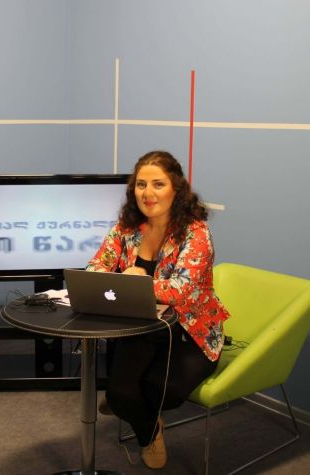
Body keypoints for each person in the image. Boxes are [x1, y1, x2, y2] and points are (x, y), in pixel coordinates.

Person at [86, 150, 230, 469]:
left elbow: (181, 290)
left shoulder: (196, 232)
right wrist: (116, 279)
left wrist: (137, 282)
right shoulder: (126, 228)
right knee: (122, 394)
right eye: (141, 184)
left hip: (189, 331)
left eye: (158, 184)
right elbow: (96, 266)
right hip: (141, 327)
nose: (147, 193)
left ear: (176, 189)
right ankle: (150, 432)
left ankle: (129, 407)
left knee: (166, 392)